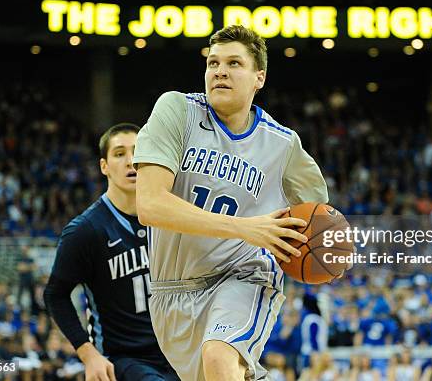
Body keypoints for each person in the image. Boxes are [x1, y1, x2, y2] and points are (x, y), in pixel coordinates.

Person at [133, 24, 328, 381]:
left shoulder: (283, 145)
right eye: (213, 63)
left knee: (220, 358)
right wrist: (246, 227)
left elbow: (319, 217)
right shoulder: (177, 110)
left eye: (234, 63)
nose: (220, 70)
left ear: (259, 78)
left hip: (244, 274)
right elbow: (150, 205)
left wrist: (322, 251)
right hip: (169, 290)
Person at [44, 123, 178, 381]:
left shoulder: (171, 215)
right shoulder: (85, 231)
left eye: (138, 151)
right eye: (119, 154)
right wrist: (88, 354)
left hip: (178, 351)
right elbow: (55, 295)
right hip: (125, 359)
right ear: (104, 166)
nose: (131, 161)